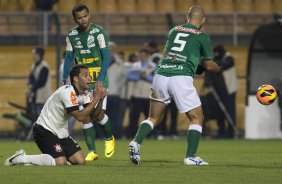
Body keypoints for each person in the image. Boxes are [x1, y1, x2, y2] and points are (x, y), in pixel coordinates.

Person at [128, 5, 222, 166]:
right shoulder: (202, 36)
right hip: (180, 78)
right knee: (197, 118)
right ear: (203, 20)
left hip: (161, 75)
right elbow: (209, 65)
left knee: (153, 117)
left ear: (187, 17)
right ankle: (190, 156)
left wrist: (195, 67)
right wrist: (219, 69)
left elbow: (178, 55)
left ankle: (136, 142)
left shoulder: (173, 31)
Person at [4, 64, 107, 166]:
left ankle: (47, 159)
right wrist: (96, 98)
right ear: (76, 79)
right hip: (44, 130)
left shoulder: (85, 94)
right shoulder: (67, 91)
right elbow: (80, 117)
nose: (90, 78)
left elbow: (93, 117)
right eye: (86, 75)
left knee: (80, 161)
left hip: (61, 133)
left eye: (89, 75)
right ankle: (21, 158)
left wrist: (101, 100)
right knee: (60, 162)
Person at [62, 4, 115, 161]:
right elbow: (68, 58)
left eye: (85, 16)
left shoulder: (99, 32)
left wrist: (100, 79)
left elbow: (107, 57)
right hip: (82, 81)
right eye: (79, 17)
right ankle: (92, 151)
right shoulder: (71, 35)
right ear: (75, 19)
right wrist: (65, 77)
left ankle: (109, 137)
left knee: (98, 114)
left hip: (99, 76)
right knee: (84, 115)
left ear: (89, 15)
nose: (83, 19)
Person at [206, 44, 238, 138]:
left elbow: (223, 65)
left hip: (229, 90)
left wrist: (212, 64)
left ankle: (231, 132)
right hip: (217, 91)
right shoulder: (214, 59)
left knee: (230, 111)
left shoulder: (229, 58)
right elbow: (208, 69)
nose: (216, 54)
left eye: (217, 53)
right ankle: (221, 131)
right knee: (219, 112)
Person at [126, 49, 156, 138]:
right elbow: (129, 76)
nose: (142, 57)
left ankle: (150, 135)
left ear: (147, 56)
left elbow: (156, 79)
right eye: (141, 55)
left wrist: (146, 77)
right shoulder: (135, 65)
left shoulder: (153, 66)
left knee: (149, 117)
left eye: (144, 55)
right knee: (134, 117)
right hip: (136, 95)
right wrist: (139, 76)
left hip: (148, 95)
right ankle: (132, 135)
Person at [27, 47, 52, 121]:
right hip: (36, 97)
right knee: (37, 119)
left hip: (43, 97)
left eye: (34, 54)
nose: (33, 56)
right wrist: (30, 84)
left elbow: (42, 82)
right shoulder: (34, 65)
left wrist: (32, 86)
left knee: (43, 119)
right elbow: (30, 77)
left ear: (39, 55)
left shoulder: (44, 67)